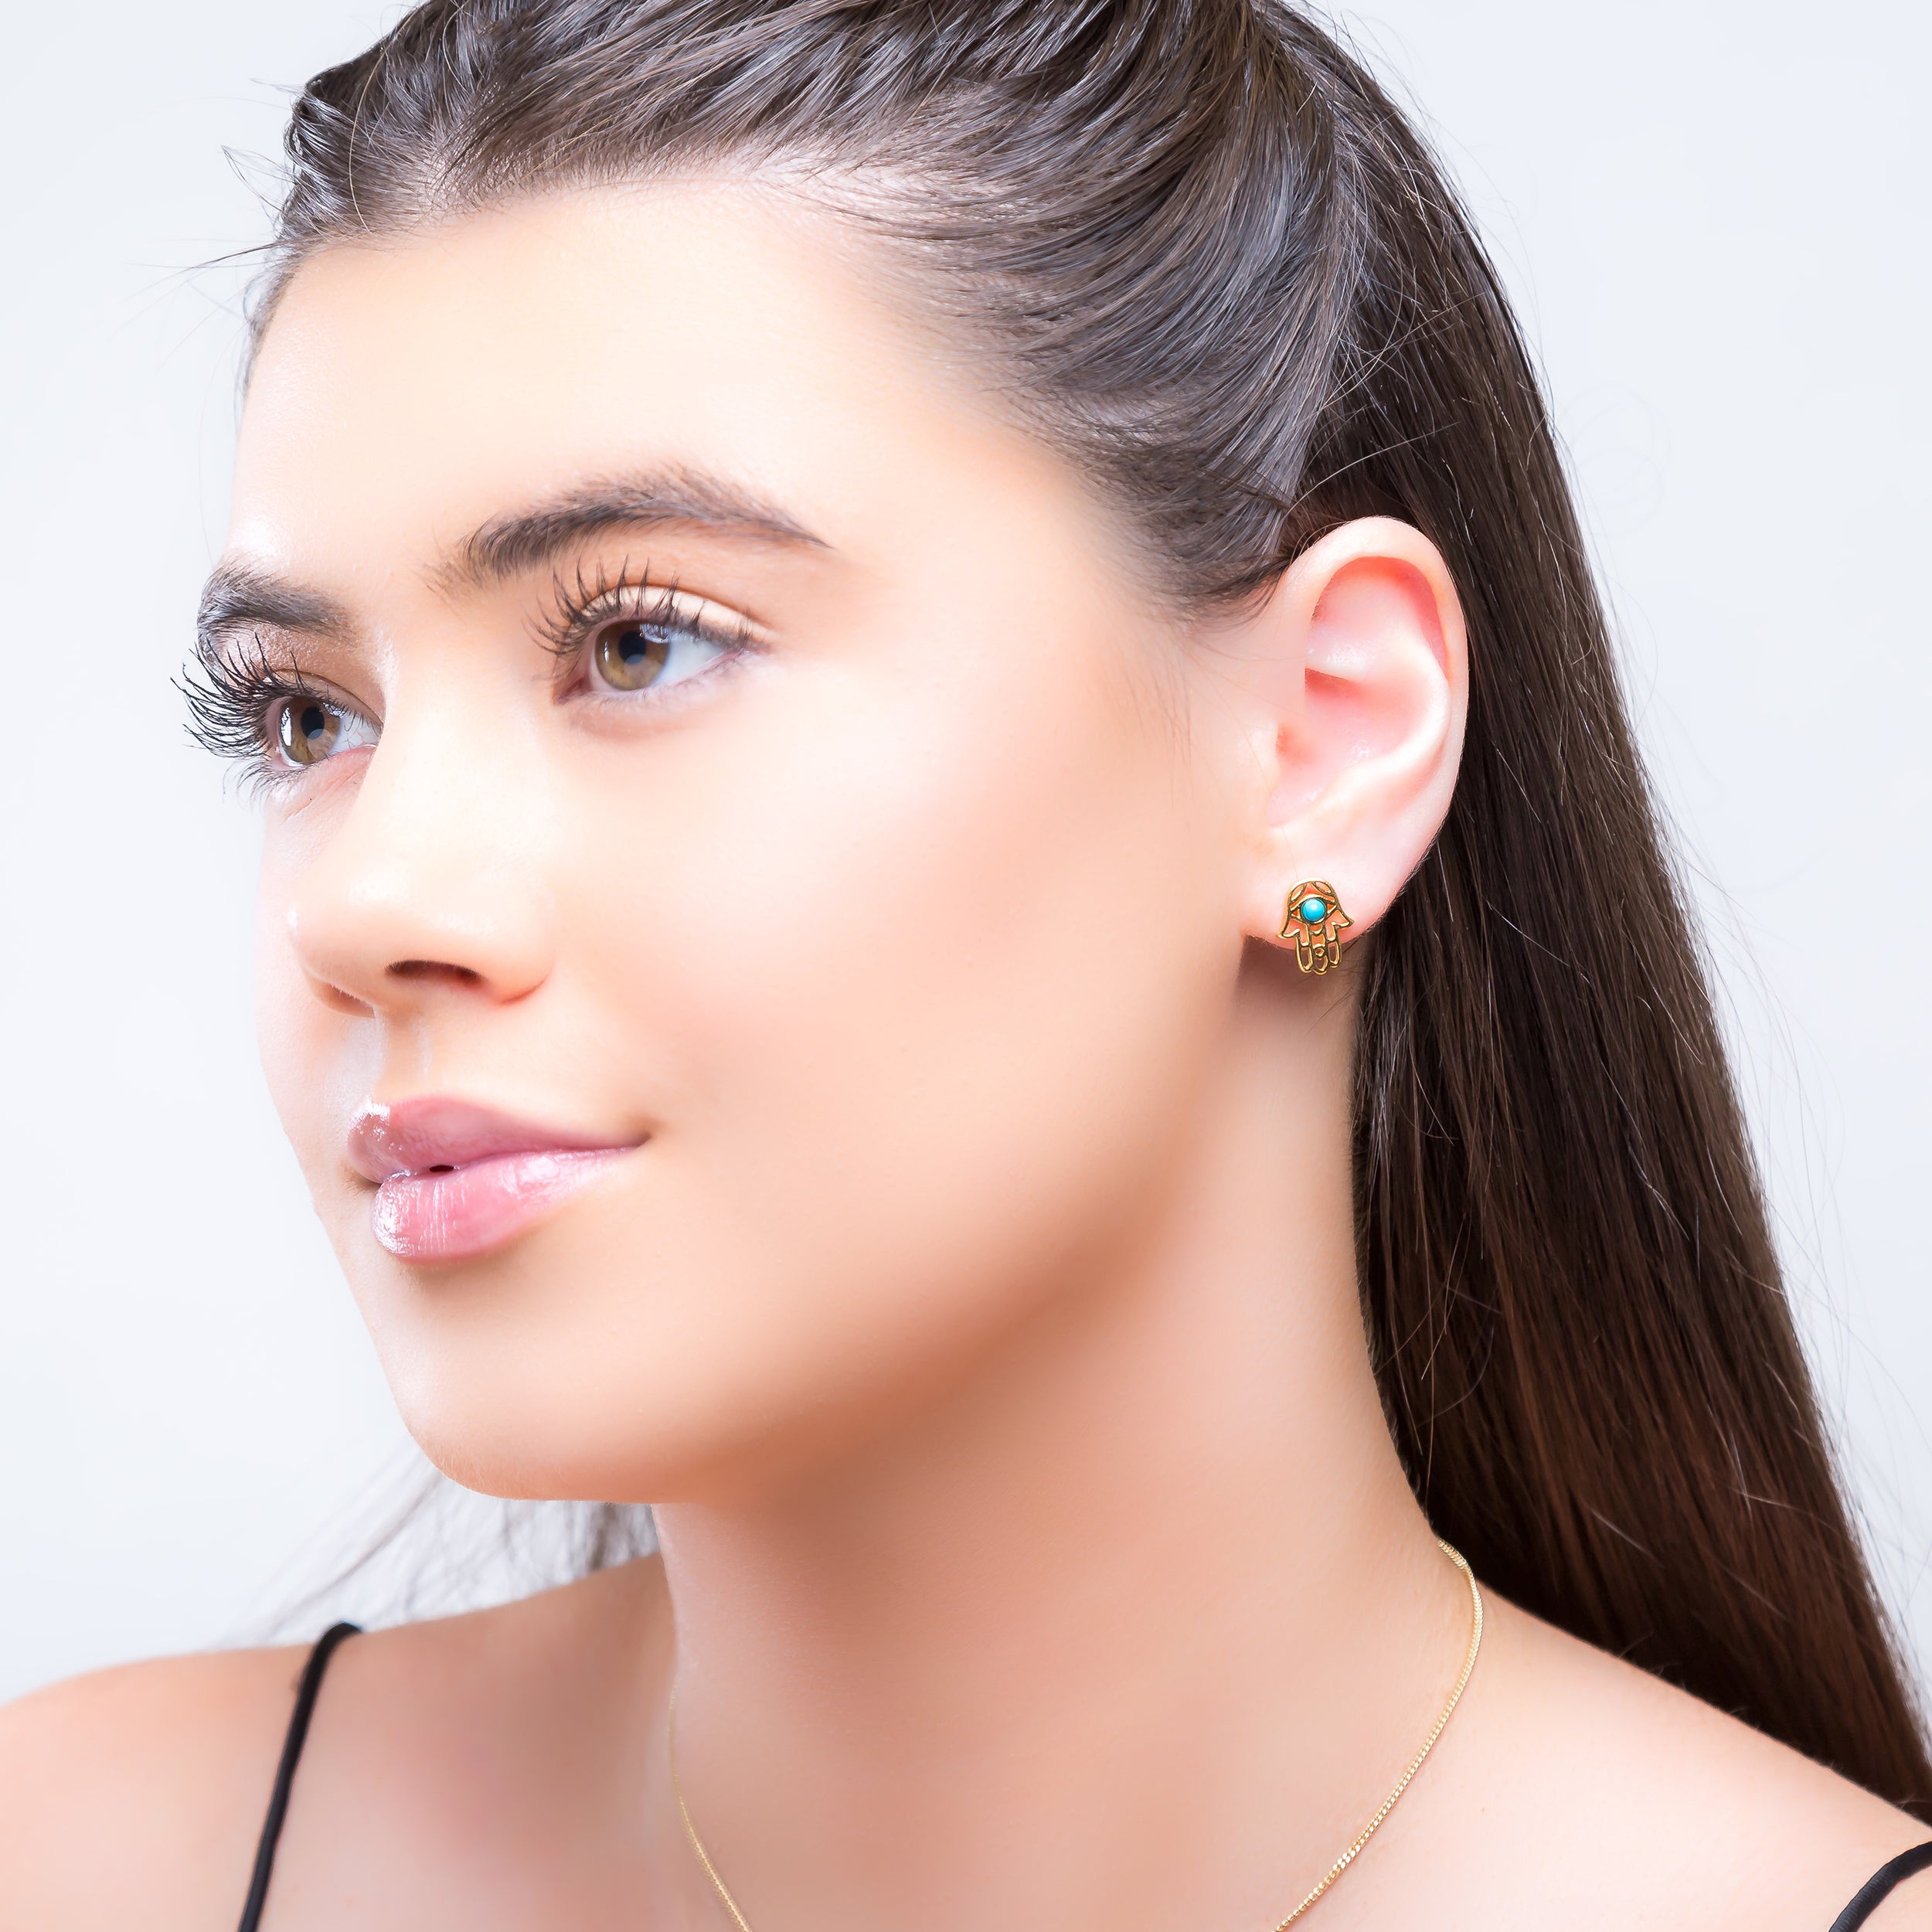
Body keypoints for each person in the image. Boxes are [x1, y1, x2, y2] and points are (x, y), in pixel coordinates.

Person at [2, 2, 1927, 1926]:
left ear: (1318, 747)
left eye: (642, 642)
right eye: (306, 716)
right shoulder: (82, 1866)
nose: (362, 902)